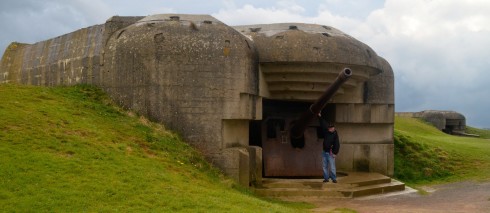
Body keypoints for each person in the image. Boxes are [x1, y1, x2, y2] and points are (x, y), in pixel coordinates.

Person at [319, 114, 340, 183]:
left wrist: (335, 153)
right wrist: (320, 116)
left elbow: (337, 144)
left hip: (331, 153)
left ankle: (334, 178)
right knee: (324, 166)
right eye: (330, 128)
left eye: (332, 128)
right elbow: (323, 123)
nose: (331, 129)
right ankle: (326, 178)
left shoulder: (335, 134)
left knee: (332, 166)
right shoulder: (326, 131)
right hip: (324, 152)